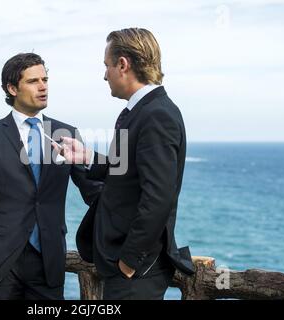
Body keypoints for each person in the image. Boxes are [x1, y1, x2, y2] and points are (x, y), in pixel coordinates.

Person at [0, 53, 102, 300]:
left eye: (45, 80)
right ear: (12, 88)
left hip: (49, 260)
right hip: (1, 261)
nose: (43, 86)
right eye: (33, 81)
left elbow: (94, 192)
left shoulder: (66, 133)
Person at [54, 28, 195, 299]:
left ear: (123, 64)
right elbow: (127, 169)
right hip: (125, 268)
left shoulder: (157, 115)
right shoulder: (137, 111)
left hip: (136, 273)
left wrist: (129, 262)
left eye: (106, 66)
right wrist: (87, 157)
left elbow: (158, 197)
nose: (104, 74)